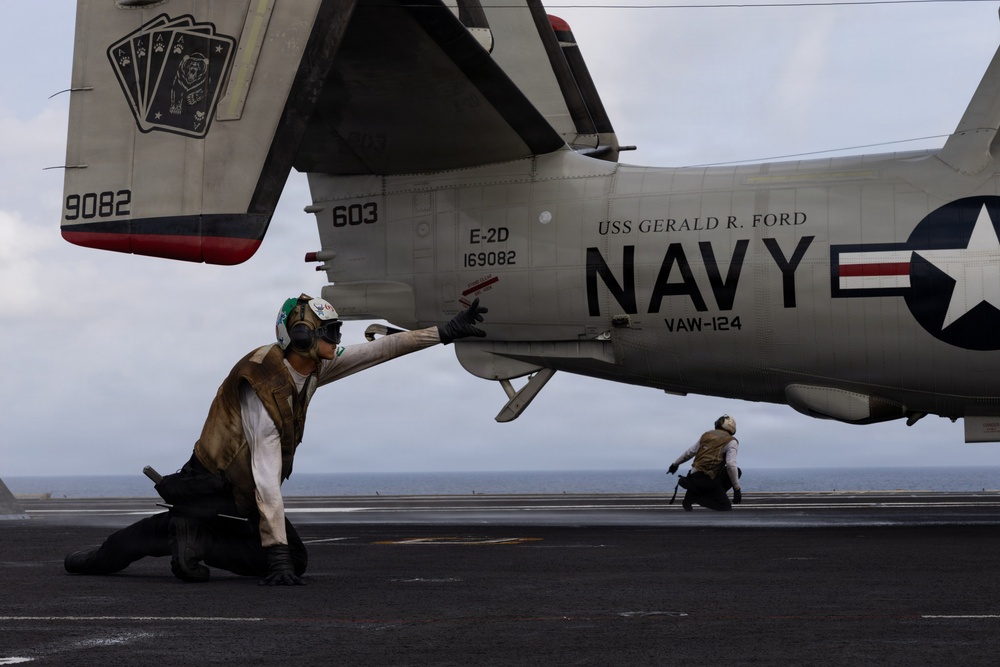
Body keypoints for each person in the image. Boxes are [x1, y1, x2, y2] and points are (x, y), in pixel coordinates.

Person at [64, 294, 487, 585]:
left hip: (239, 489)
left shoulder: (313, 364)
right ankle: (154, 542)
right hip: (212, 484)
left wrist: (446, 331)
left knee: (292, 558)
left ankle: (193, 536)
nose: (336, 340)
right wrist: (276, 554)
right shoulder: (264, 382)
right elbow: (266, 477)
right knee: (159, 537)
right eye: (329, 332)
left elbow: (380, 350)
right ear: (301, 335)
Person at [666, 414, 742, 511]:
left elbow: (690, 452)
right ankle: (699, 497)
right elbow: (731, 465)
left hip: (693, 476)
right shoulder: (731, 441)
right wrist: (737, 489)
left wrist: (675, 464)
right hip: (707, 479)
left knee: (731, 472)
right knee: (725, 506)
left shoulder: (707, 435)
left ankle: (693, 493)